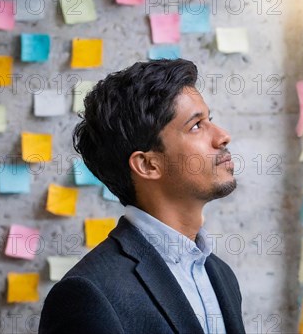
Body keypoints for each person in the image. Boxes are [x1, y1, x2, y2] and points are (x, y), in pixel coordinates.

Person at [39, 59, 245, 334]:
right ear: (147, 165)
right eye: (196, 125)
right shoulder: (89, 294)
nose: (223, 137)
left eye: (211, 120)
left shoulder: (221, 275)